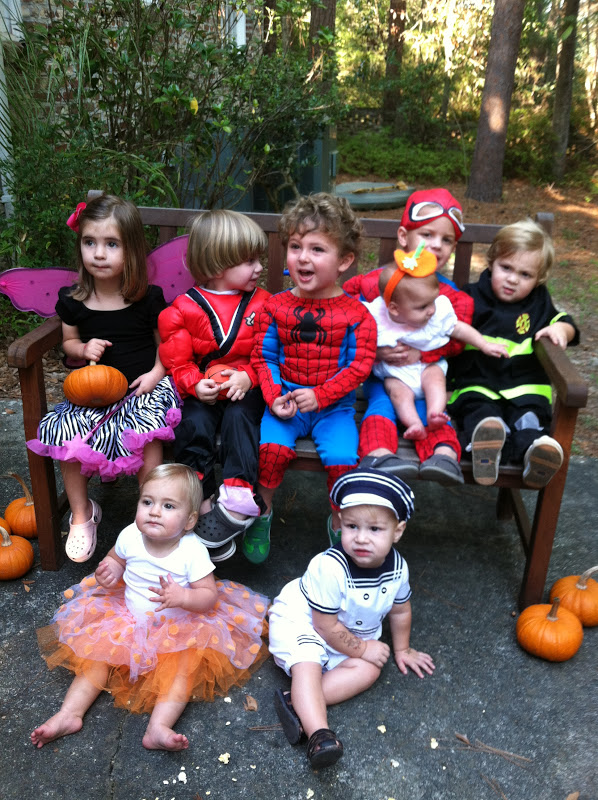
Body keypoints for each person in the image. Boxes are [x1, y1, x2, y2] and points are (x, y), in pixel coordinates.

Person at [30, 464, 269, 752]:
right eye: (147, 502)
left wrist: (183, 597)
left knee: (180, 673)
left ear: (190, 520)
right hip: (127, 619)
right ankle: (69, 714)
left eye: (168, 506)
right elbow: (115, 558)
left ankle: (158, 727)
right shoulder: (131, 535)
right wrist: (110, 570)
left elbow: (209, 596)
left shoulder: (192, 551)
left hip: (178, 628)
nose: (154, 511)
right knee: (95, 659)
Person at [27, 195, 180, 563]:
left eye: (112, 244)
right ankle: (82, 514)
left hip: (143, 388)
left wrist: (155, 375)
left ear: (132, 251)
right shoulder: (73, 300)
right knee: (63, 431)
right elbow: (68, 342)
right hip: (92, 395)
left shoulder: (148, 299)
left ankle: (148, 517)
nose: (98, 253)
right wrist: (83, 348)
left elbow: (166, 346)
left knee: (148, 431)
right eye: (89, 242)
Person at [238, 193, 377, 564]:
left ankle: (340, 520)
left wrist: (321, 395)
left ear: (344, 260)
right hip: (285, 402)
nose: (303, 257)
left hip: (334, 410)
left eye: (317, 249)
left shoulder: (356, 315)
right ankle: (263, 511)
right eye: (296, 246)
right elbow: (264, 356)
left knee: (344, 458)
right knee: (271, 450)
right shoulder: (275, 307)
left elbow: (359, 367)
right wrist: (273, 397)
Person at [268, 468, 434, 769]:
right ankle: (319, 734)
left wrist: (402, 649)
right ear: (340, 523)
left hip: (345, 634)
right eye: (352, 526)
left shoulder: (398, 569)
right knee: (308, 661)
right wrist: (363, 647)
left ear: (398, 531)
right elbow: (324, 625)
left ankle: (295, 701)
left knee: (370, 669)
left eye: (375, 529)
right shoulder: (331, 568)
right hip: (304, 622)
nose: (361, 538)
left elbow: (400, 610)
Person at [158, 210, 270, 563]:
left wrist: (249, 376)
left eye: (259, 259)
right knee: (192, 423)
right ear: (218, 265)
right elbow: (178, 361)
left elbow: (268, 353)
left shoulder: (263, 304)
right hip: (205, 389)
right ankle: (202, 499)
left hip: (245, 389)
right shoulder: (184, 308)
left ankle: (238, 496)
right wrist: (194, 384)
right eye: (249, 261)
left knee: (241, 418)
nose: (259, 268)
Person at [343, 188, 474, 490]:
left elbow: (457, 340)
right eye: (427, 235)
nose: (437, 245)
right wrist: (374, 353)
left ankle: (443, 457)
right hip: (383, 378)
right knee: (381, 406)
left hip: (428, 378)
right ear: (403, 236)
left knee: (435, 413)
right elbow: (346, 319)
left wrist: (423, 355)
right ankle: (379, 455)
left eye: (447, 240)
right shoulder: (375, 283)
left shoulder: (452, 297)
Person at [447, 218, 579, 487]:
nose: (512, 279)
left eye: (525, 275)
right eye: (506, 268)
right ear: (491, 262)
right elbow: (444, 331)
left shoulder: (539, 302)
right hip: (478, 384)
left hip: (526, 389)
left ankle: (535, 455)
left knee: (529, 421)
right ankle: (486, 450)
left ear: (538, 279)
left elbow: (566, 323)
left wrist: (561, 331)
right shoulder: (469, 297)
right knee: (482, 418)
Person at [366, 245, 508, 441]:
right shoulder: (376, 318)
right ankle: (414, 423)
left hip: (428, 366)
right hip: (396, 374)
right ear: (394, 308)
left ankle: (435, 413)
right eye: (423, 307)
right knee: (397, 392)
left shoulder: (437, 314)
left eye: (433, 301)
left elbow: (459, 329)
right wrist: (378, 353)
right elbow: (360, 345)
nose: (431, 310)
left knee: (436, 378)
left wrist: (483, 344)